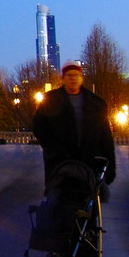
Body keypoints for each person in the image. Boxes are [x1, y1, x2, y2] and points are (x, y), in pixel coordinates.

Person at [32, 60, 116, 191]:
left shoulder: (96, 103)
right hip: (59, 163)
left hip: (89, 163)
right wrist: (53, 149)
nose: (73, 79)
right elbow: (39, 128)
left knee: (88, 202)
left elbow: (105, 137)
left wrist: (111, 167)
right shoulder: (50, 100)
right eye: (69, 75)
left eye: (76, 75)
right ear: (63, 78)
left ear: (81, 78)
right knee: (58, 201)